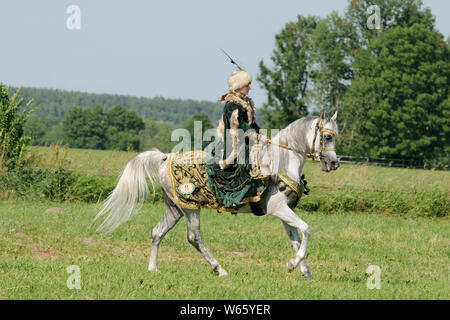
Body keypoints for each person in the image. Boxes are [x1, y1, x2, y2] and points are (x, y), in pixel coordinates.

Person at [205, 70, 269, 208]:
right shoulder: (232, 104)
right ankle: (234, 198)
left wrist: (261, 134)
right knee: (243, 161)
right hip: (234, 140)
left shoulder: (245, 102)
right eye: (247, 85)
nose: (249, 88)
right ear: (239, 86)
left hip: (246, 138)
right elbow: (241, 124)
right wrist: (257, 136)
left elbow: (251, 123)